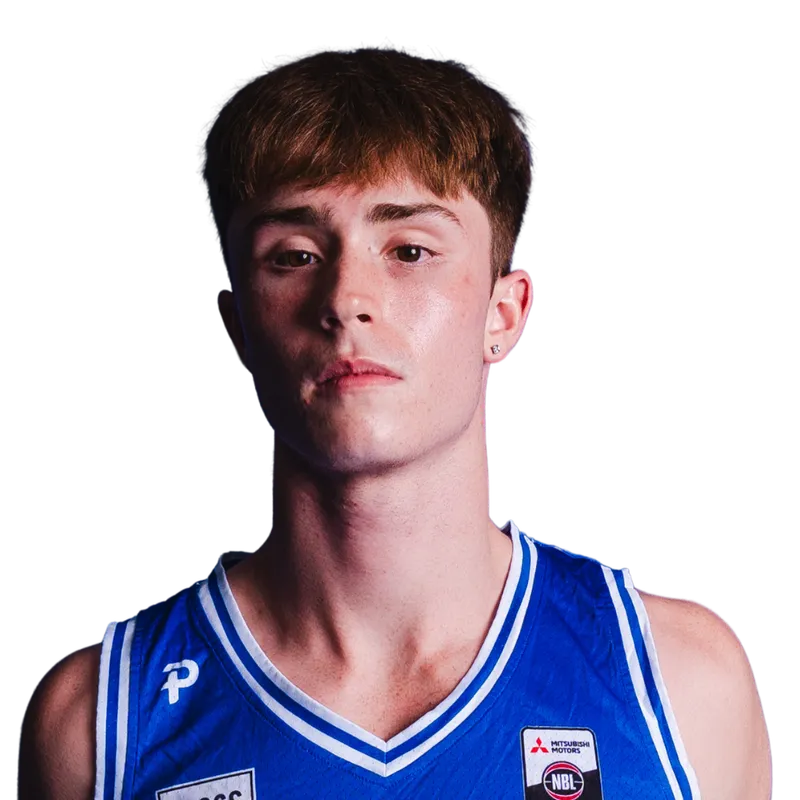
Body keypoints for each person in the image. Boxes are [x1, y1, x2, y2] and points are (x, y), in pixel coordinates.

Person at [18, 46, 771, 800]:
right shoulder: (100, 725)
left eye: (409, 250)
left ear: (505, 315)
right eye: (295, 256)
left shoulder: (681, 683)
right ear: (238, 326)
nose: (346, 299)